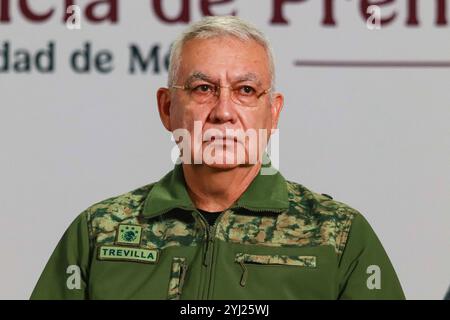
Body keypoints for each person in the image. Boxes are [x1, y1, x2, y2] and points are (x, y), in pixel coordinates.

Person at [31, 16, 405, 300]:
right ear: (167, 108)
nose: (223, 111)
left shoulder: (338, 237)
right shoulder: (98, 231)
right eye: (203, 89)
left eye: (245, 90)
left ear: (273, 113)